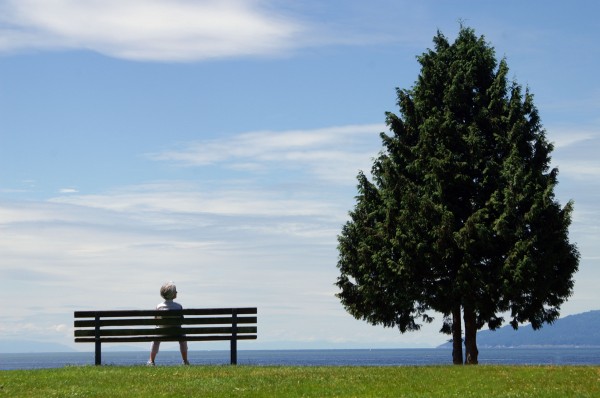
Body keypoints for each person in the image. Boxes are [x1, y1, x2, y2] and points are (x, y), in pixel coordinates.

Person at [147, 281, 190, 366]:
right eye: (175, 291)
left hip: (161, 332)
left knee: (156, 338)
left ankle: (151, 361)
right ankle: (185, 361)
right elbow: (181, 320)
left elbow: (155, 321)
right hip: (177, 332)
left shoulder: (159, 306)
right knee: (183, 339)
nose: (177, 292)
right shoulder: (178, 306)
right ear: (173, 295)